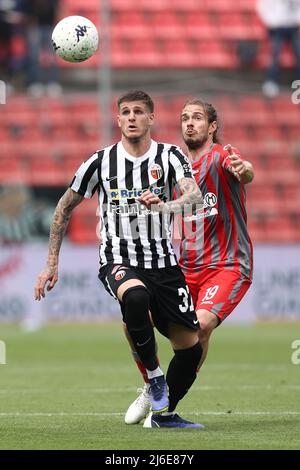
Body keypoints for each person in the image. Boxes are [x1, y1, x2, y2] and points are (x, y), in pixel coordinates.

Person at [34, 90, 205, 429]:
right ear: (118, 119)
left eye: (138, 112)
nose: (131, 117)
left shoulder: (170, 156)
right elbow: (64, 206)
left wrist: (163, 206)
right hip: (117, 257)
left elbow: (194, 198)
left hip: (164, 264)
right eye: (125, 112)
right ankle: (154, 377)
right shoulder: (100, 161)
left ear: (151, 118)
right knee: (135, 296)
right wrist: (51, 263)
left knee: (190, 349)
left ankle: (163, 415)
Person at [124, 98, 254, 425]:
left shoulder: (220, 155)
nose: (189, 124)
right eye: (184, 118)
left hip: (226, 264)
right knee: (134, 318)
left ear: (212, 127)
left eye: (197, 118)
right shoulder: (172, 164)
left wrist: (245, 170)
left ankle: (166, 409)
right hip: (182, 268)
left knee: (202, 326)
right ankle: (152, 383)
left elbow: (243, 168)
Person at [256, 0, 300, 97]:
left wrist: (297, 19)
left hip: (292, 27)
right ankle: (271, 81)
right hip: (277, 28)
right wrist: (271, 21)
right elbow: (262, 6)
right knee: (275, 54)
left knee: (298, 53)